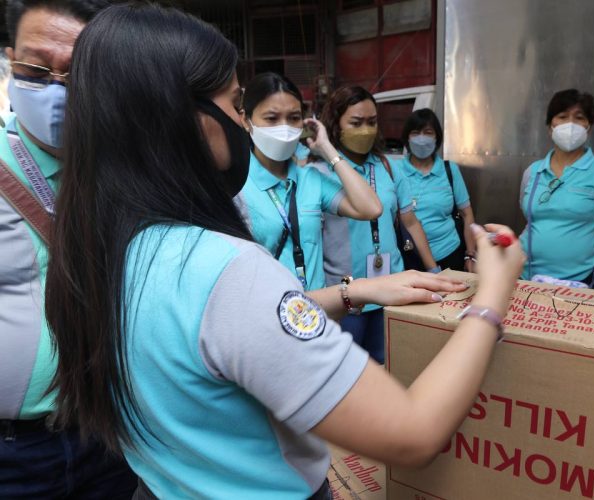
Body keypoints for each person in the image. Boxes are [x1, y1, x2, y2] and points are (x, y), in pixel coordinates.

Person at [44, 4, 524, 499]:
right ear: (183, 118)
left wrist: (355, 291)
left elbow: (221, 333)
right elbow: (413, 433)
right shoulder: (223, 268)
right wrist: (491, 296)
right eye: (237, 105)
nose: (245, 123)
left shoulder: (99, 248)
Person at [0, 1, 137, 497]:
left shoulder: (131, 174)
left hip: (113, 436)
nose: (56, 92)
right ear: (10, 60)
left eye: (76, 75)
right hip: (13, 453)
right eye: (35, 70)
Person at [312, 86, 438, 363]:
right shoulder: (320, 173)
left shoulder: (388, 167)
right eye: (356, 123)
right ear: (336, 125)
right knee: (347, 372)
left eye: (372, 122)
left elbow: (410, 222)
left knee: (390, 365)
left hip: (392, 290)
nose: (366, 130)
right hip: (346, 295)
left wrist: (433, 270)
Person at [238, 72, 381, 291]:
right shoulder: (237, 185)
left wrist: (327, 149)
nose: (284, 127)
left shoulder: (311, 179)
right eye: (272, 118)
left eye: (294, 118)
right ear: (245, 120)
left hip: (317, 306)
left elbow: (371, 208)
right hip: (270, 306)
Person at [519, 89, 594, 286]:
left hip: (576, 281)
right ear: (550, 127)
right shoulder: (533, 172)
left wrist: (586, 252)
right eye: (562, 116)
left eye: (579, 118)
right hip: (524, 274)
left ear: (589, 127)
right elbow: (530, 217)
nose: (570, 124)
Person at [397, 108, 477, 272]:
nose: (421, 139)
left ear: (437, 137)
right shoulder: (396, 171)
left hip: (450, 253)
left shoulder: (449, 170)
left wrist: (470, 254)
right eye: (415, 133)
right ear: (407, 138)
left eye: (428, 133)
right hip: (408, 257)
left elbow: (467, 214)